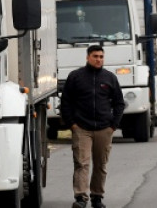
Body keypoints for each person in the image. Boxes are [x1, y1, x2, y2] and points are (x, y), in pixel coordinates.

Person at [60, 44, 125, 208]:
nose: (98, 59)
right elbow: (66, 102)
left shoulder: (110, 78)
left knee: (101, 164)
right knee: (81, 163)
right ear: (88, 57)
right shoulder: (76, 77)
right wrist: (72, 125)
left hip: (104, 128)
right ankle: (81, 198)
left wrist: (113, 126)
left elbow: (119, 103)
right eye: (95, 56)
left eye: (101, 57)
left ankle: (97, 197)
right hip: (82, 128)